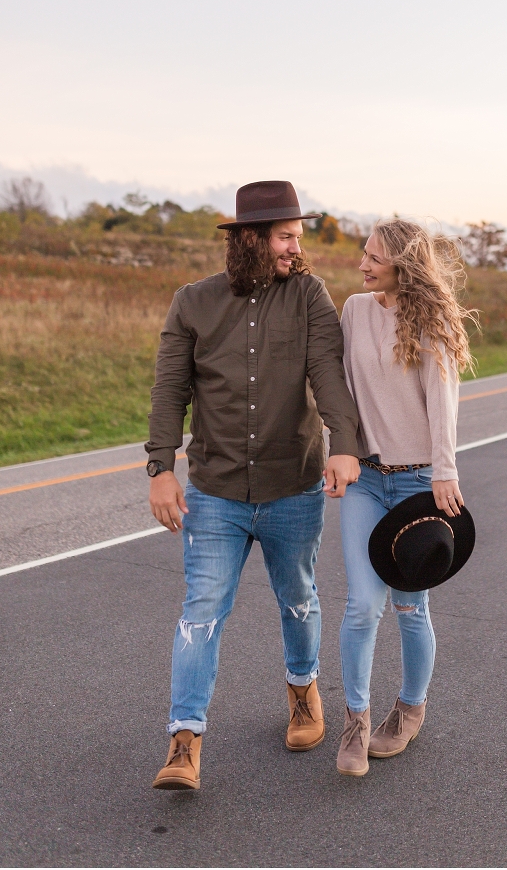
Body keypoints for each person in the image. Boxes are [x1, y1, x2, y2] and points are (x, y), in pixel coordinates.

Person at [146, 180, 360, 791]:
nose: (297, 247)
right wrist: (161, 468)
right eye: (286, 236)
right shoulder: (192, 302)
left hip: (292, 484)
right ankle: (184, 739)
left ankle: (303, 690)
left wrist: (344, 443)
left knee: (298, 598)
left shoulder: (310, 295)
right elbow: (170, 390)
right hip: (214, 491)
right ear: (251, 239)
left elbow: (327, 373)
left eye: (298, 236)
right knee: (202, 610)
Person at [327, 218, 477, 776]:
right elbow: (340, 387)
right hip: (366, 479)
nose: (362, 265)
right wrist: (339, 450)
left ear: (403, 266)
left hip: (418, 485)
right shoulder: (354, 310)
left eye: (373, 258)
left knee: (411, 606)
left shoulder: (432, 320)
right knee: (363, 605)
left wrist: (444, 471)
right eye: (363, 254)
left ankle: (410, 710)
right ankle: (356, 721)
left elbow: (443, 398)